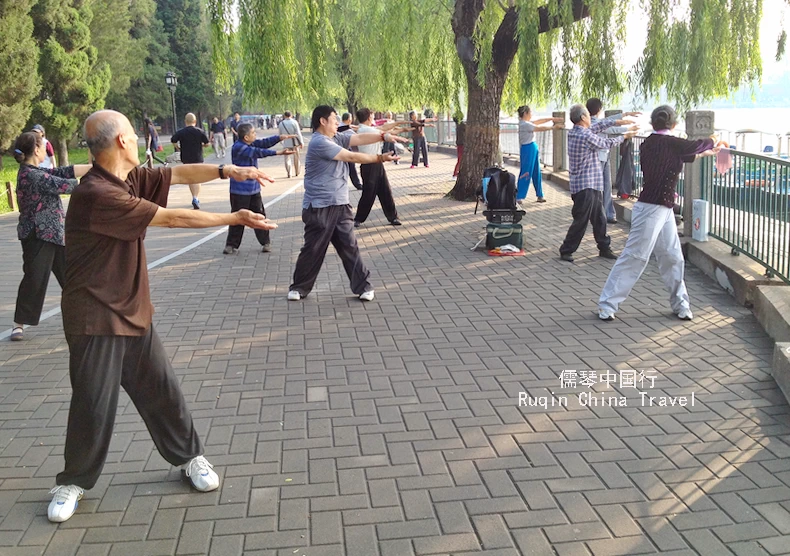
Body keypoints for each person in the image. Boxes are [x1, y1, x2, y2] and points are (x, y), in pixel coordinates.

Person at [47, 109, 277, 524]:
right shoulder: (97, 193)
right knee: (93, 403)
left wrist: (228, 170)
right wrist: (234, 217)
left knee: (162, 391)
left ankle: (190, 458)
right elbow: (172, 217)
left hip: (133, 309)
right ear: (121, 141)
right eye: (134, 134)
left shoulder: (127, 178)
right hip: (95, 315)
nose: (139, 139)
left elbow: (180, 173)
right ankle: (73, 481)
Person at [598, 105, 719, 322]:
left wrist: (703, 152)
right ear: (673, 124)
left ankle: (680, 305)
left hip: (663, 209)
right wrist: (710, 140)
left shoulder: (650, 143)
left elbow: (680, 155)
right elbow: (692, 146)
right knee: (635, 256)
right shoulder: (671, 143)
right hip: (651, 208)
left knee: (672, 257)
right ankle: (607, 304)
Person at [288, 105, 401, 303]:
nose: (337, 123)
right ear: (322, 121)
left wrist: (383, 137)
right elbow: (351, 156)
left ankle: (363, 286)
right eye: (334, 119)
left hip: (340, 205)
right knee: (313, 248)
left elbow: (359, 139)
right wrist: (379, 158)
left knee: (350, 246)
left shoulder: (336, 138)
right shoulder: (319, 142)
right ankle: (299, 287)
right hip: (319, 206)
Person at [9, 133, 92, 342]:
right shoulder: (31, 175)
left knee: (72, 277)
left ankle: (88, 315)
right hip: (37, 236)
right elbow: (66, 185)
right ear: (36, 150)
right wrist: (102, 176)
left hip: (55, 233)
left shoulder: (35, 171)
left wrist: (96, 168)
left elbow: (61, 171)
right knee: (34, 279)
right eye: (43, 146)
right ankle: (18, 323)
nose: (46, 148)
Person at [558, 104, 637, 263]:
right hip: (586, 185)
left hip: (589, 184)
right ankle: (566, 250)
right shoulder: (585, 136)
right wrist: (625, 136)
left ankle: (604, 247)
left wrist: (618, 119)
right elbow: (605, 144)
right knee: (581, 219)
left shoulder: (575, 132)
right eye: (588, 115)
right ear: (583, 118)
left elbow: (599, 125)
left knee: (599, 217)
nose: (590, 118)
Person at [224, 123, 294, 254]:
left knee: (259, 216)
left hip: (254, 189)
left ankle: (265, 242)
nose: (255, 135)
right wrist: (278, 152)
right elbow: (258, 152)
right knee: (237, 217)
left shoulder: (249, 143)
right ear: (246, 137)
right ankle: (231, 245)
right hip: (239, 190)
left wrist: (279, 138)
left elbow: (263, 143)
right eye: (253, 133)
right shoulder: (239, 147)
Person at [353, 107, 410, 228]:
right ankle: (358, 218)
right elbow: (384, 131)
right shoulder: (366, 130)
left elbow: (383, 128)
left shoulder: (366, 128)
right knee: (369, 193)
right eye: (372, 116)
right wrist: (398, 135)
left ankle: (393, 217)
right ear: (369, 117)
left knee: (385, 190)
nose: (373, 118)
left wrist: (398, 124)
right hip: (369, 164)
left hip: (377, 163)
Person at [586, 99, 640, 223]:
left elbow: (609, 121)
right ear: (599, 110)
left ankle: (607, 213)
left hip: (604, 157)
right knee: (600, 187)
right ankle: (601, 214)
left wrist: (625, 115)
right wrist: (629, 130)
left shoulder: (595, 121)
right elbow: (611, 129)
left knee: (607, 186)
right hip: (598, 158)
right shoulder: (594, 124)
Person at [516, 106, 563, 203]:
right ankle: (519, 195)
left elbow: (539, 121)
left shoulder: (527, 123)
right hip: (527, 149)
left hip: (533, 147)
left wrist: (552, 119)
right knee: (526, 172)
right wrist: (554, 127)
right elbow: (539, 128)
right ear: (525, 113)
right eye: (530, 112)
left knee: (536, 171)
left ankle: (539, 194)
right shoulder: (524, 124)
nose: (531, 114)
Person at [171, 113, 210, 209]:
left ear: (185, 122)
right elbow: (207, 143)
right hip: (198, 157)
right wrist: (202, 146)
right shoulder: (199, 131)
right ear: (195, 121)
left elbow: (173, 140)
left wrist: (178, 147)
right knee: (197, 178)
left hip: (186, 157)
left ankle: (194, 196)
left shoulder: (181, 132)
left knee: (191, 178)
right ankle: (196, 197)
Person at [338, 113, 362, 190]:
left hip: (341, 149)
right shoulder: (347, 130)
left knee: (345, 168)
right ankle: (357, 184)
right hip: (344, 150)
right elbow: (358, 137)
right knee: (351, 167)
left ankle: (356, 184)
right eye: (351, 118)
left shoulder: (340, 126)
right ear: (349, 119)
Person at [278, 111, 304, 178]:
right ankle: (297, 172)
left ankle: (289, 173)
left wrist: (282, 142)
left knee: (287, 158)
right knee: (296, 158)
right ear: (291, 115)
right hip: (294, 143)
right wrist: (301, 142)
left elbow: (280, 134)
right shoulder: (294, 122)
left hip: (286, 143)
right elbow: (298, 133)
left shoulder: (281, 123)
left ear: (284, 116)